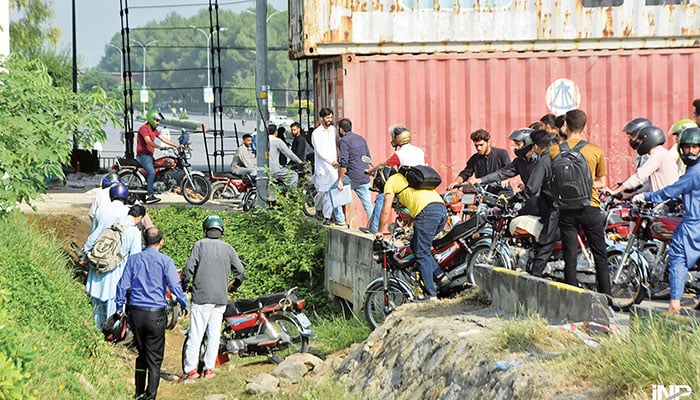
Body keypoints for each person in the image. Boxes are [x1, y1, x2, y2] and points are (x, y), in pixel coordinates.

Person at [115, 228, 189, 400]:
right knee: (155, 358)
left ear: (144, 240)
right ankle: (151, 395)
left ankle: (139, 392)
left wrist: (119, 306)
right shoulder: (165, 261)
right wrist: (184, 303)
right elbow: (175, 286)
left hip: (136, 314)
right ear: (161, 242)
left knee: (141, 355)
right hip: (155, 315)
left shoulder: (134, 260)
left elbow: (122, 285)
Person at [632, 127, 700, 314]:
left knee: (678, 260)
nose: (691, 151)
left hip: (693, 224)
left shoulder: (693, 173)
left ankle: (674, 306)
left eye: (695, 147)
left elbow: (669, 191)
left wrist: (645, 198)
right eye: (688, 147)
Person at [550, 109, 612, 303]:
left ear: (565, 126)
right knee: (600, 255)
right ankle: (606, 299)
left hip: (566, 209)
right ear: (584, 127)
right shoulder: (595, 150)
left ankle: (571, 300)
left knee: (570, 256)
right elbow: (601, 181)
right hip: (590, 207)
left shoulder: (554, 151)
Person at [181, 215, 245, 381]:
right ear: (221, 230)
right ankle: (209, 370)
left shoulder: (200, 245)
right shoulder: (228, 248)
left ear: (205, 230)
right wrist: (234, 285)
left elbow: (188, 269)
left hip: (201, 297)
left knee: (196, 334)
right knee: (214, 334)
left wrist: (184, 284)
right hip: (220, 299)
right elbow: (241, 272)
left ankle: (191, 370)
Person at [375, 166, 447, 301]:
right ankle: (441, 277)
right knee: (415, 245)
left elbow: (385, 209)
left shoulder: (391, 182)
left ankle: (431, 295)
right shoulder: (405, 180)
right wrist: (409, 226)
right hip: (440, 209)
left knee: (421, 252)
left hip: (428, 213)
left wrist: (379, 232)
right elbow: (414, 204)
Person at [83, 184, 144, 330]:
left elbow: (94, 234)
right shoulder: (127, 213)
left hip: (99, 258)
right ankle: (111, 332)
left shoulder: (102, 210)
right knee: (114, 300)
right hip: (116, 263)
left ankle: (97, 329)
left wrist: (87, 251)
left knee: (96, 300)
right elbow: (134, 255)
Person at [364, 125, 426, 233]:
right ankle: (409, 226)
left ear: (398, 138)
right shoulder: (419, 151)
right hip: (421, 184)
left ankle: (375, 229)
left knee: (381, 198)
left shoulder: (399, 154)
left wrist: (370, 171)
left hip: (406, 186)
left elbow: (383, 164)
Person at [468, 128, 536, 209]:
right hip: (529, 200)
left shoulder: (538, 161)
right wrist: (481, 180)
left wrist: (514, 198)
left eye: (518, 144)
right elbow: (502, 173)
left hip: (541, 202)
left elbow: (534, 187)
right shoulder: (519, 161)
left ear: (527, 143)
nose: (516, 148)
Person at [606, 125, 678, 198]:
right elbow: (649, 184)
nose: (639, 144)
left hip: (663, 202)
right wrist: (631, 194)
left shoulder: (657, 155)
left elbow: (638, 177)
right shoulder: (662, 152)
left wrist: (614, 191)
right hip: (666, 199)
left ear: (648, 139)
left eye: (641, 140)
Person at [527, 129, 559, 277]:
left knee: (545, 245)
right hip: (568, 206)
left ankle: (534, 282)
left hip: (555, 210)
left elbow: (531, 189)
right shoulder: (558, 156)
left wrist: (514, 199)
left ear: (536, 146)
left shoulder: (544, 161)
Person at [447, 129, 511, 193]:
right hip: (484, 194)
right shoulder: (474, 159)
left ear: (488, 142)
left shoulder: (502, 153)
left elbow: (509, 171)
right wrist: (456, 182)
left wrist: (506, 179)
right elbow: (465, 174)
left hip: (502, 192)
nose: (478, 148)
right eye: (476, 145)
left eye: (481, 145)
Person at [137, 110, 180, 204]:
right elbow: (148, 141)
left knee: (160, 168)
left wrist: (176, 145)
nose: (158, 123)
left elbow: (163, 138)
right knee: (152, 172)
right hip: (143, 156)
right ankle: (150, 196)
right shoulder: (143, 129)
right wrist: (159, 147)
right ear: (151, 119)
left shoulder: (154, 130)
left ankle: (153, 187)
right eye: (156, 120)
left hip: (149, 156)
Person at [337, 118, 373, 226]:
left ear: (341, 129)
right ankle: (374, 226)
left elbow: (345, 161)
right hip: (364, 176)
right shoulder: (361, 139)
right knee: (368, 204)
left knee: (333, 191)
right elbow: (368, 157)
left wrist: (339, 180)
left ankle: (340, 219)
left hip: (351, 177)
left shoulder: (344, 141)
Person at [312, 108, 341, 224]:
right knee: (322, 192)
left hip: (334, 166)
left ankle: (327, 217)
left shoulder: (333, 130)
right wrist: (330, 161)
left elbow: (337, 145)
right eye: (327, 118)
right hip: (322, 167)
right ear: (321, 118)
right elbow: (319, 151)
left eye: (331, 117)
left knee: (331, 191)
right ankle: (317, 207)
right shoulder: (316, 133)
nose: (330, 120)